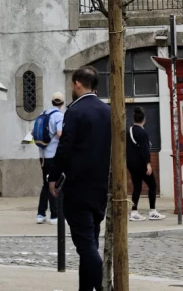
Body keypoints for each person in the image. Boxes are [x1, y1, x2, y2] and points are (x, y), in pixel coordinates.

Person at [49, 67, 110, 291]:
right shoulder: (107, 111)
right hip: (101, 186)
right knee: (90, 241)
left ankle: (105, 286)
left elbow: (65, 149)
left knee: (85, 245)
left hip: (78, 187)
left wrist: (53, 177)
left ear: (77, 84)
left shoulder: (74, 112)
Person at [126, 106, 163, 221]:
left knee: (137, 187)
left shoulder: (130, 130)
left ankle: (134, 211)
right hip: (141, 164)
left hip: (131, 164)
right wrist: (148, 164)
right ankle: (152, 211)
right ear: (144, 119)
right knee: (152, 185)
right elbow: (144, 149)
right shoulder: (142, 133)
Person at [36, 91, 66, 224]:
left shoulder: (43, 114)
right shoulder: (59, 115)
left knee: (46, 183)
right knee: (55, 184)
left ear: (52, 101)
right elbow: (60, 133)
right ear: (62, 103)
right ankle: (55, 215)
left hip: (42, 155)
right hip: (53, 155)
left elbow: (33, 132)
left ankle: (41, 214)